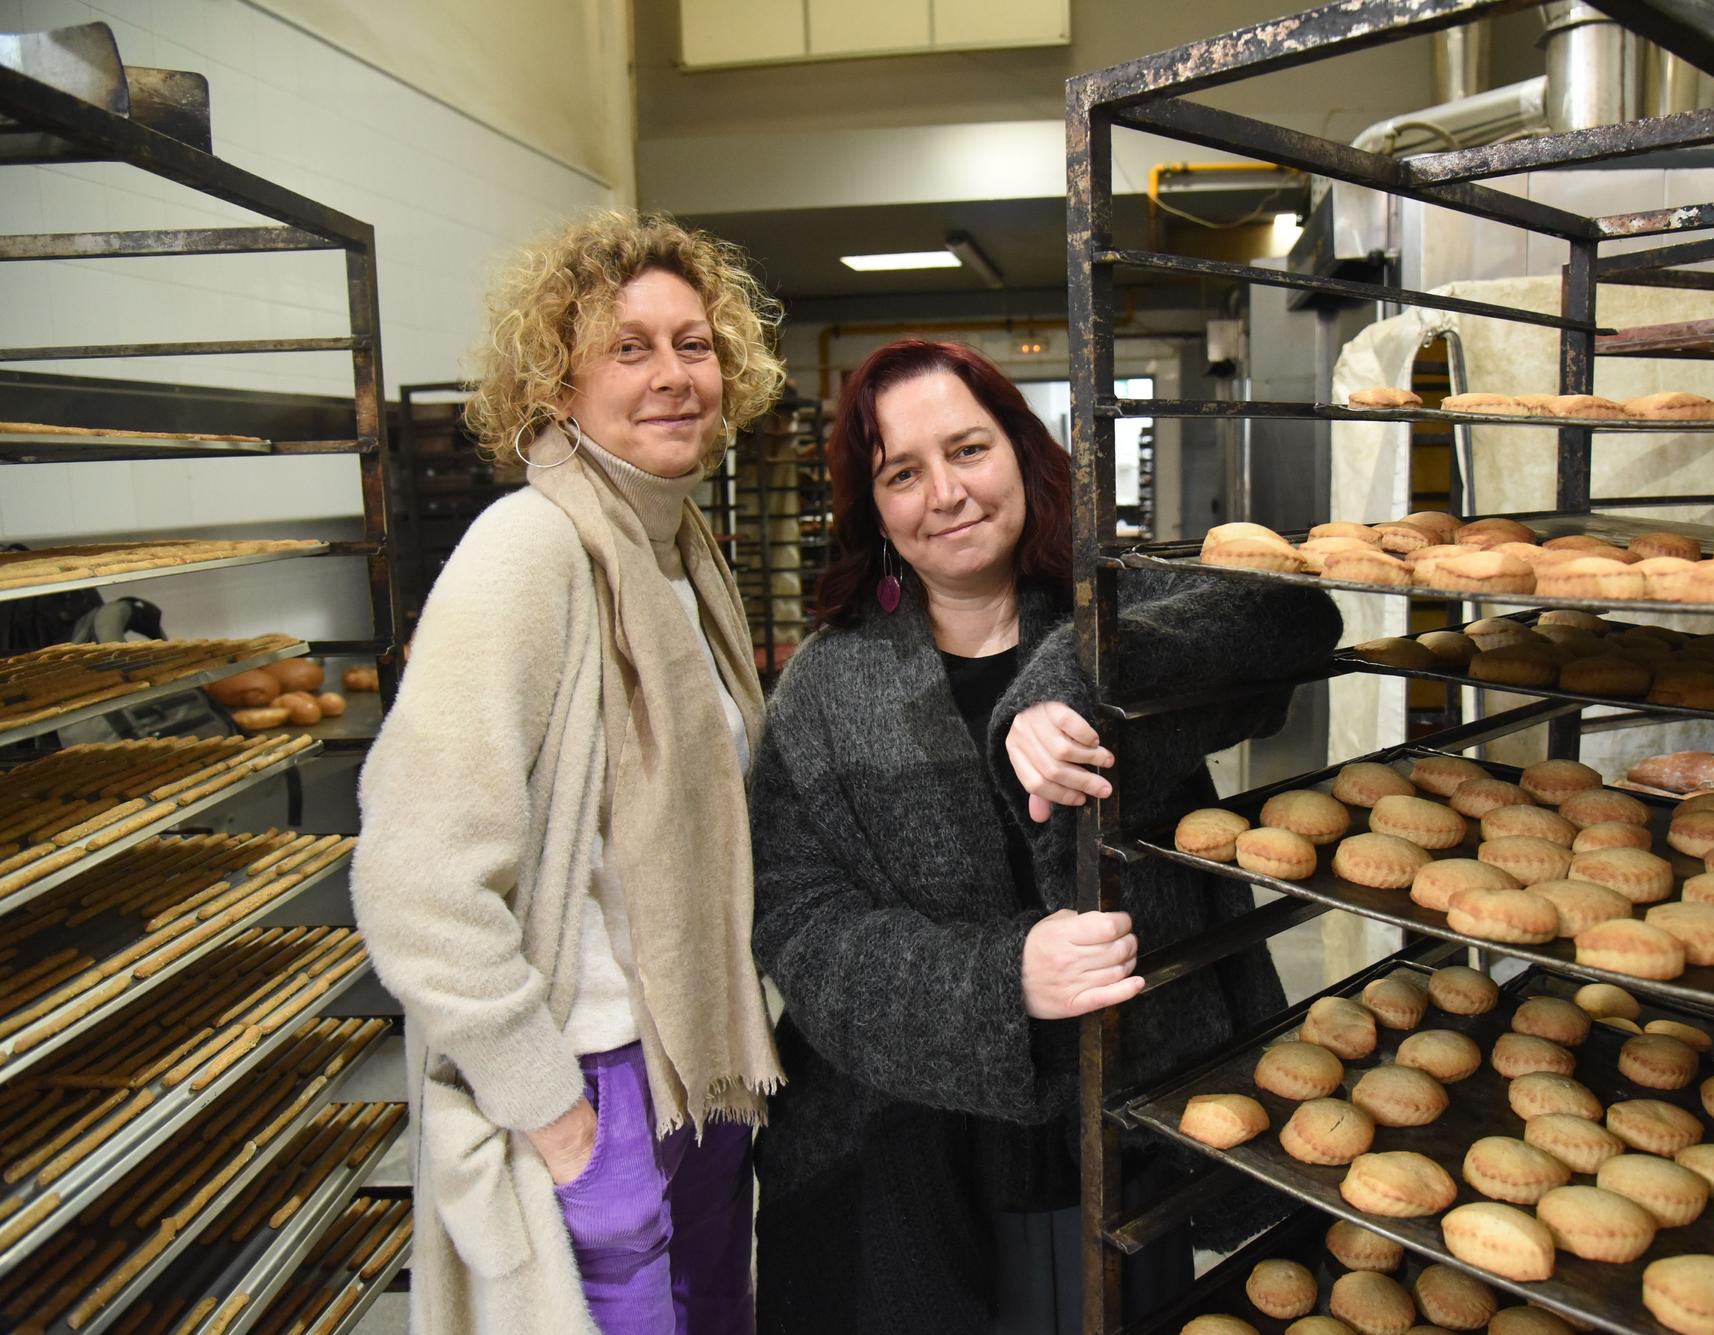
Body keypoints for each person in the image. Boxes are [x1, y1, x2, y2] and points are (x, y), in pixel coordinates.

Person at [748, 339, 1341, 1333]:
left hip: (1130, 1124)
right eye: (902, 472)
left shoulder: (1108, 602)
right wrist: (999, 979)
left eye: (967, 449)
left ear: (1021, 452)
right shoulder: (825, 685)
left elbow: (1291, 615)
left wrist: (1079, 673)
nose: (945, 493)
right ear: (875, 509)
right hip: (920, 1143)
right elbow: (797, 926)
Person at [350, 211, 787, 1335]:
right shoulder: (527, 550)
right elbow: (416, 882)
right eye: (628, 347)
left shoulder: (681, 553)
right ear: (556, 382)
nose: (673, 375)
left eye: (693, 344)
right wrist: (560, 1126)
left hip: (698, 1068)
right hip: (592, 1082)